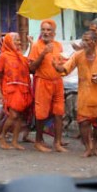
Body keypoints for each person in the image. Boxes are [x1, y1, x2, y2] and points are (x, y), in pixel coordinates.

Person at [55, 30, 97, 157]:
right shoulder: (78, 55)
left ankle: (96, 146)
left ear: (94, 42)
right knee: (83, 122)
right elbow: (66, 68)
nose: (84, 43)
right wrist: (56, 67)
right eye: (83, 40)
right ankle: (88, 148)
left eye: (87, 40)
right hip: (84, 95)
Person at [29, 19, 67, 153]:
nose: (45, 32)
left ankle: (57, 143)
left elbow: (62, 64)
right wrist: (43, 53)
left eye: (48, 30)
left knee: (59, 112)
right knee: (41, 113)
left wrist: (60, 67)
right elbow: (31, 68)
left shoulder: (58, 45)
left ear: (54, 33)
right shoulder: (36, 46)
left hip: (58, 82)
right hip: (42, 82)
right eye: (43, 30)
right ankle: (38, 141)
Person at [0, 32, 33, 150]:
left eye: (19, 40)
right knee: (13, 114)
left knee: (20, 116)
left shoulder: (21, 56)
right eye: (15, 40)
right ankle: (2, 136)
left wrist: (31, 45)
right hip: (10, 89)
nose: (18, 42)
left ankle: (15, 141)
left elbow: (29, 63)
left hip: (23, 88)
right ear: (8, 42)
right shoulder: (4, 56)